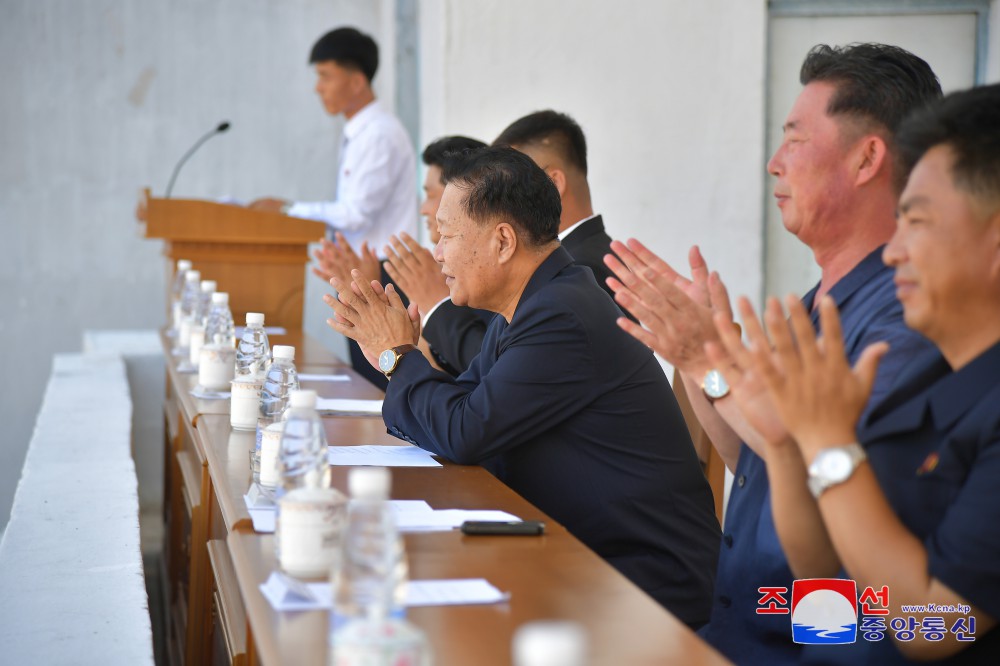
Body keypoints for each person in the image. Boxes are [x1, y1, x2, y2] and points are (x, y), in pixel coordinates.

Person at [605, 44, 942, 662]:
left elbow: (910, 618)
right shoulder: (819, 301)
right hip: (747, 624)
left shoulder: (907, 320)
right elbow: (759, 455)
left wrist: (711, 360)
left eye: (794, 139)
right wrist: (695, 357)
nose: (774, 163)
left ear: (868, 158)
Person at [323, 146, 721, 627]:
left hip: (642, 586)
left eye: (446, 235)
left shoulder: (562, 315)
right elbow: (463, 406)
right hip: (577, 556)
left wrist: (397, 356)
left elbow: (464, 430)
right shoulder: (538, 301)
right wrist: (395, 355)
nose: (437, 253)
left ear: (503, 241)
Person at [710, 82, 1000, 662]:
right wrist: (788, 444)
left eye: (917, 222)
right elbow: (820, 570)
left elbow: (934, 627)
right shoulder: (937, 379)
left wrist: (828, 443)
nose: (895, 252)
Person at [250, 26, 418, 389]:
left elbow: (356, 213)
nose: (318, 87)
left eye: (326, 76)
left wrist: (288, 209)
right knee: (370, 377)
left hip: (384, 275)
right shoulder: (361, 131)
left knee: (381, 382)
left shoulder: (379, 134)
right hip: (365, 271)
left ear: (357, 82)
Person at [398, 110, 628, 374]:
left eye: (515, 176)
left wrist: (436, 307)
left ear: (552, 183)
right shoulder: (558, 262)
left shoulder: (584, 268)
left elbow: (506, 373)